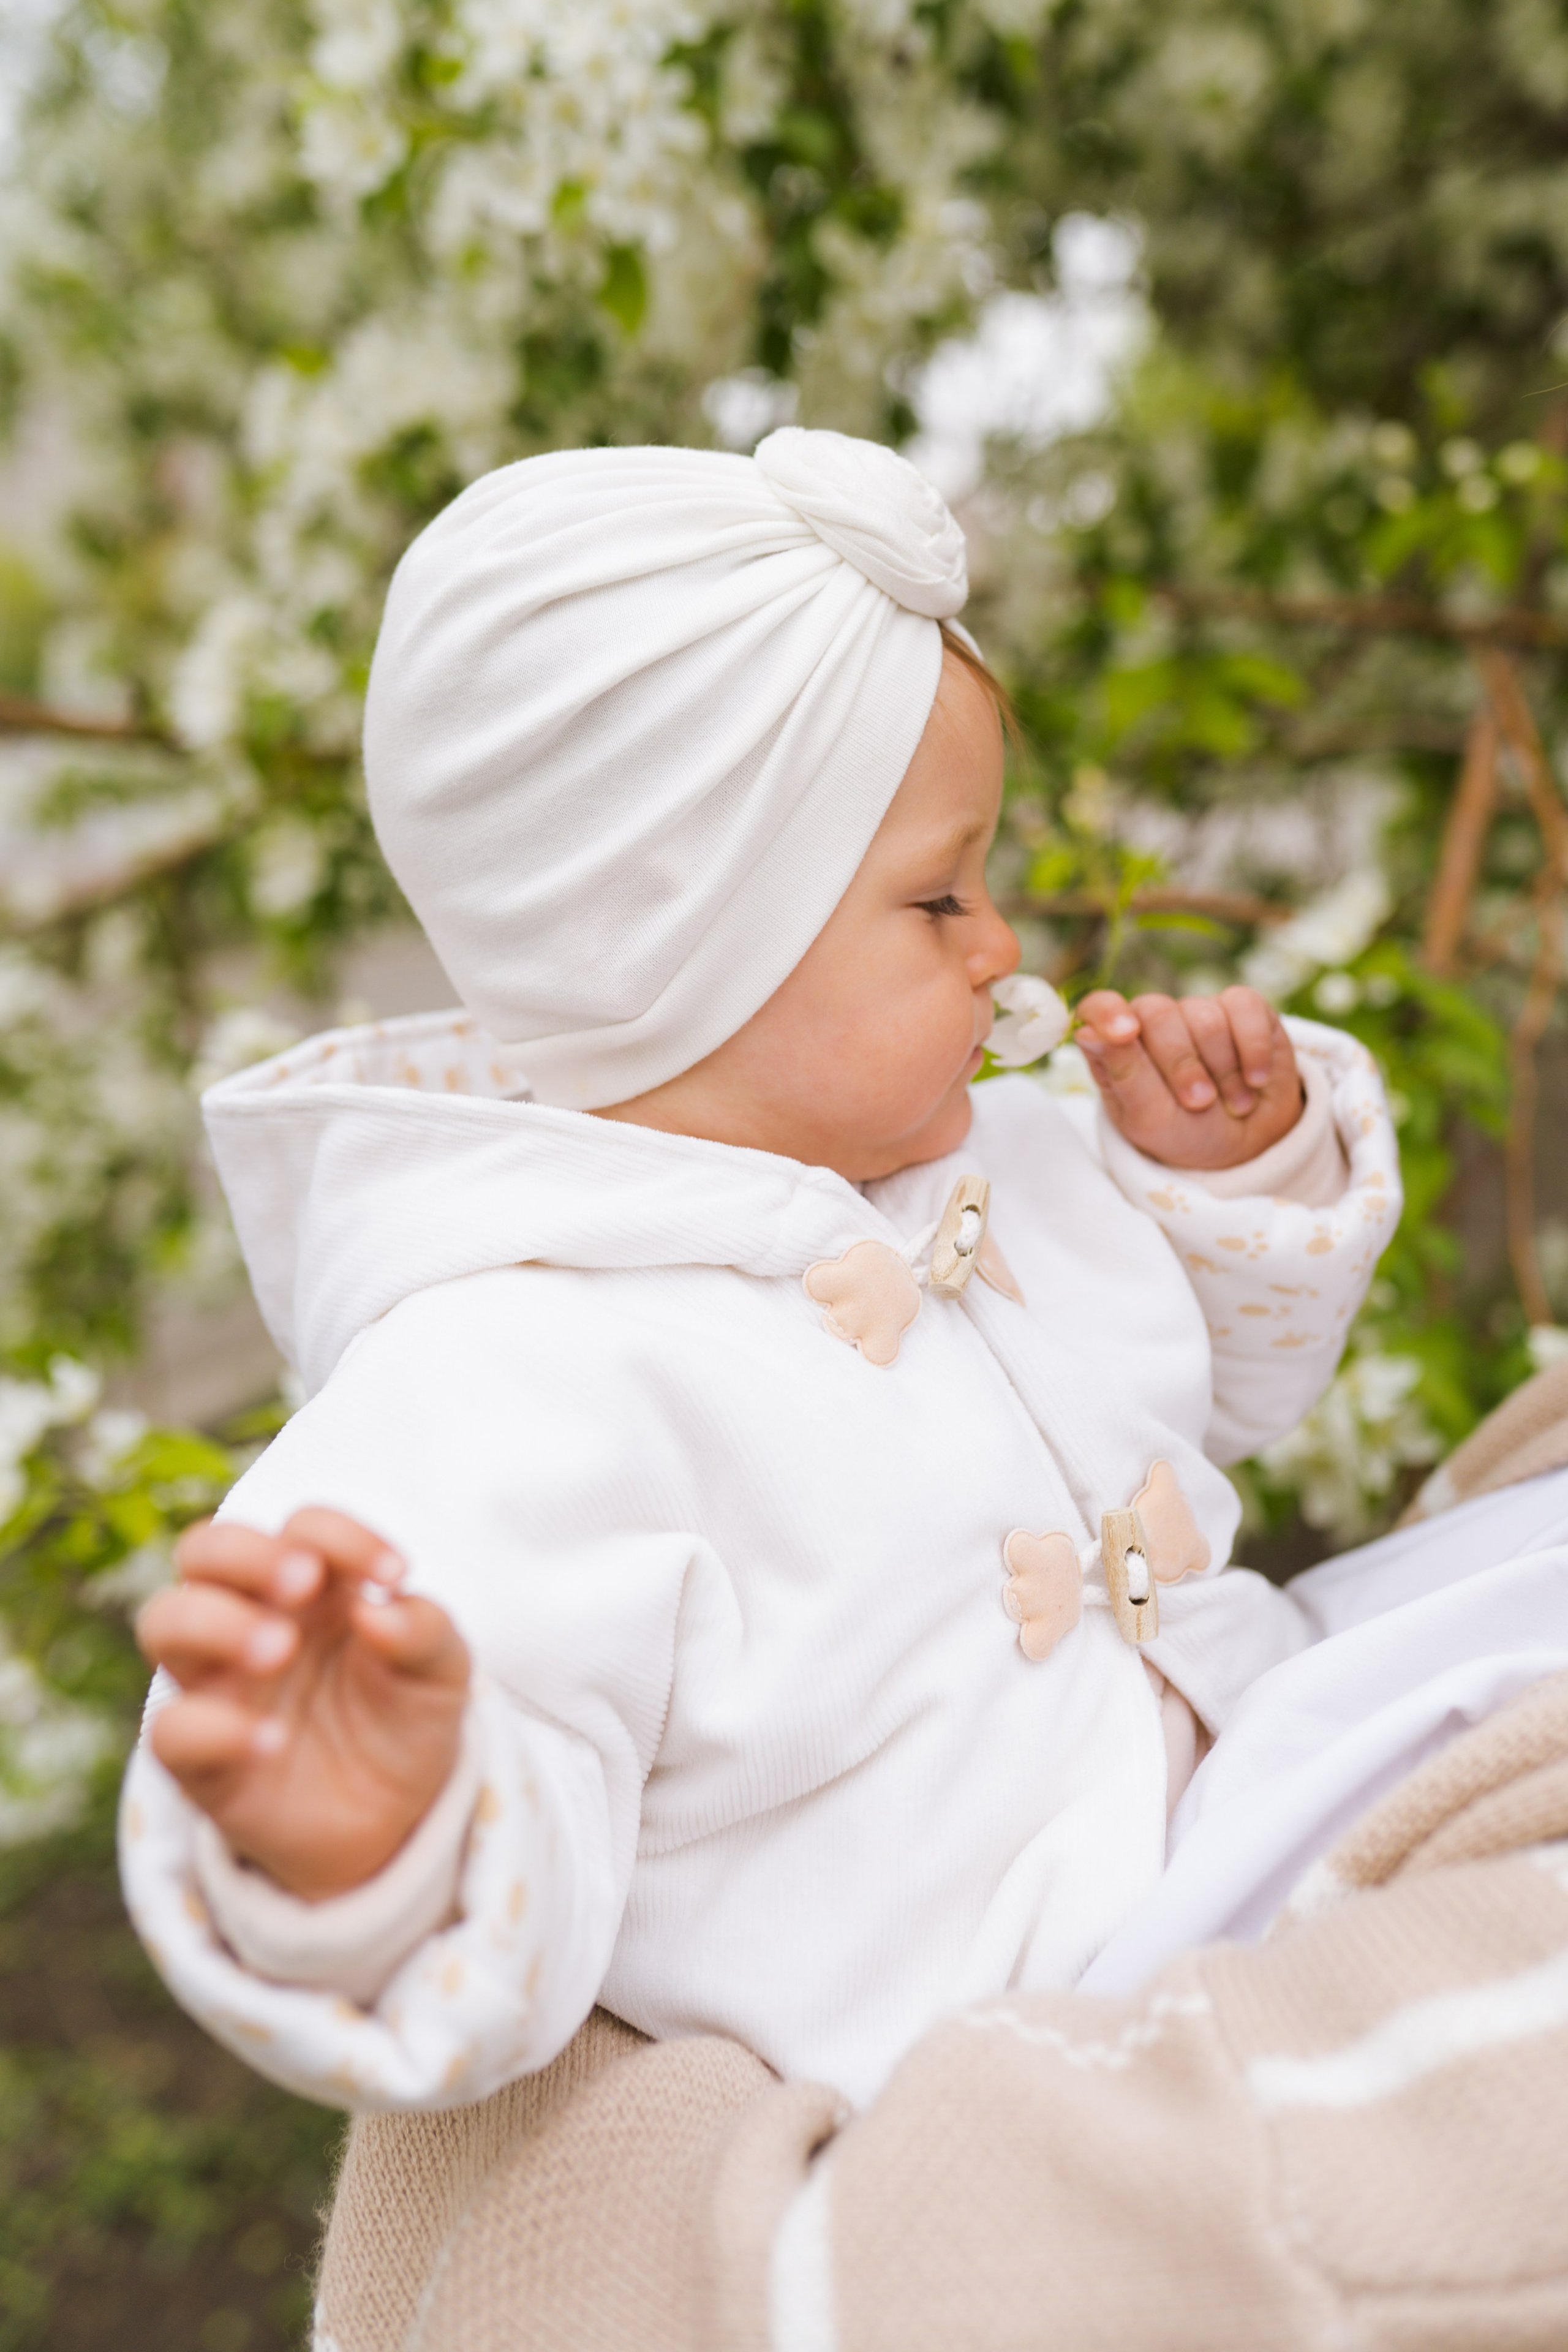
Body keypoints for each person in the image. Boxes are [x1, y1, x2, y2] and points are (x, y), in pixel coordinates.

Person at [119, 429, 1401, 2113]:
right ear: (682, 939)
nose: (1003, 944)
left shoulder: (987, 1165)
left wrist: (1223, 1172)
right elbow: (499, 1816)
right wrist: (377, 1834)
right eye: (939, 895)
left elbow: (1231, 1390)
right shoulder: (506, 1369)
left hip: (1268, 1797)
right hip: (1021, 2063)